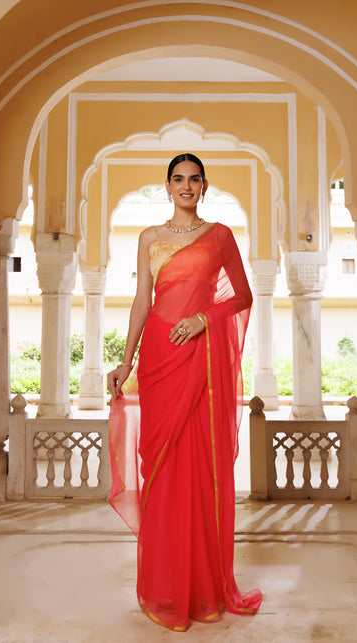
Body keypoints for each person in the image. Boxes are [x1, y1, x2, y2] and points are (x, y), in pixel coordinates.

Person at [107, 153, 262, 631]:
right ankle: (163, 585)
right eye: (178, 179)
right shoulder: (149, 238)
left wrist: (203, 319)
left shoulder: (220, 237)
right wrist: (126, 358)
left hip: (198, 362)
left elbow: (241, 296)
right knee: (161, 469)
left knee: (196, 466)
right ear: (167, 186)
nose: (186, 186)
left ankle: (200, 588)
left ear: (204, 186)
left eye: (194, 179)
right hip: (157, 359)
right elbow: (141, 300)